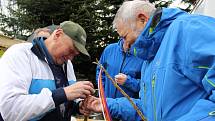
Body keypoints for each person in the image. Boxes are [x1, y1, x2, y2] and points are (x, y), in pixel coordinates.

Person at [84, 0, 215, 121]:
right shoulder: (148, 61)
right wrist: (107, 104)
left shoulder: (189, 29)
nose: (125, 44)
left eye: (125, 36)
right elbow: (149, 109)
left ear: (142, 19)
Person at [0, 21, 94, 121]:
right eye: (70, 50)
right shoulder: (21, 54)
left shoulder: (66, 63)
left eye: (75, 54)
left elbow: (62, 105)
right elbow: (10, 110)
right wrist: (62, 94)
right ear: (58, 34)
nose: (70, 58)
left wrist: (78, 106)